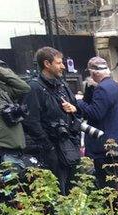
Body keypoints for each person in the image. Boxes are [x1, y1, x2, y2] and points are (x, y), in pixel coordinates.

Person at [23, 46, 80, 194]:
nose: (63, 66)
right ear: (47, 64)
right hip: (50, 151)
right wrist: (49, 147)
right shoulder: (35, 88)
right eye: (59, 63)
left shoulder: (62, 85)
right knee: (57, 192)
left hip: (69, 146)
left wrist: (73, 110)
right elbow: (31, 122)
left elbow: (77, 111)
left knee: (73, 190)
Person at [76, 56, 118, 188]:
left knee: (111, 187)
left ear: (93, 73)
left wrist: (79, 102)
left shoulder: (102, 89)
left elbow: (95, 114)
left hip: (106, 148)